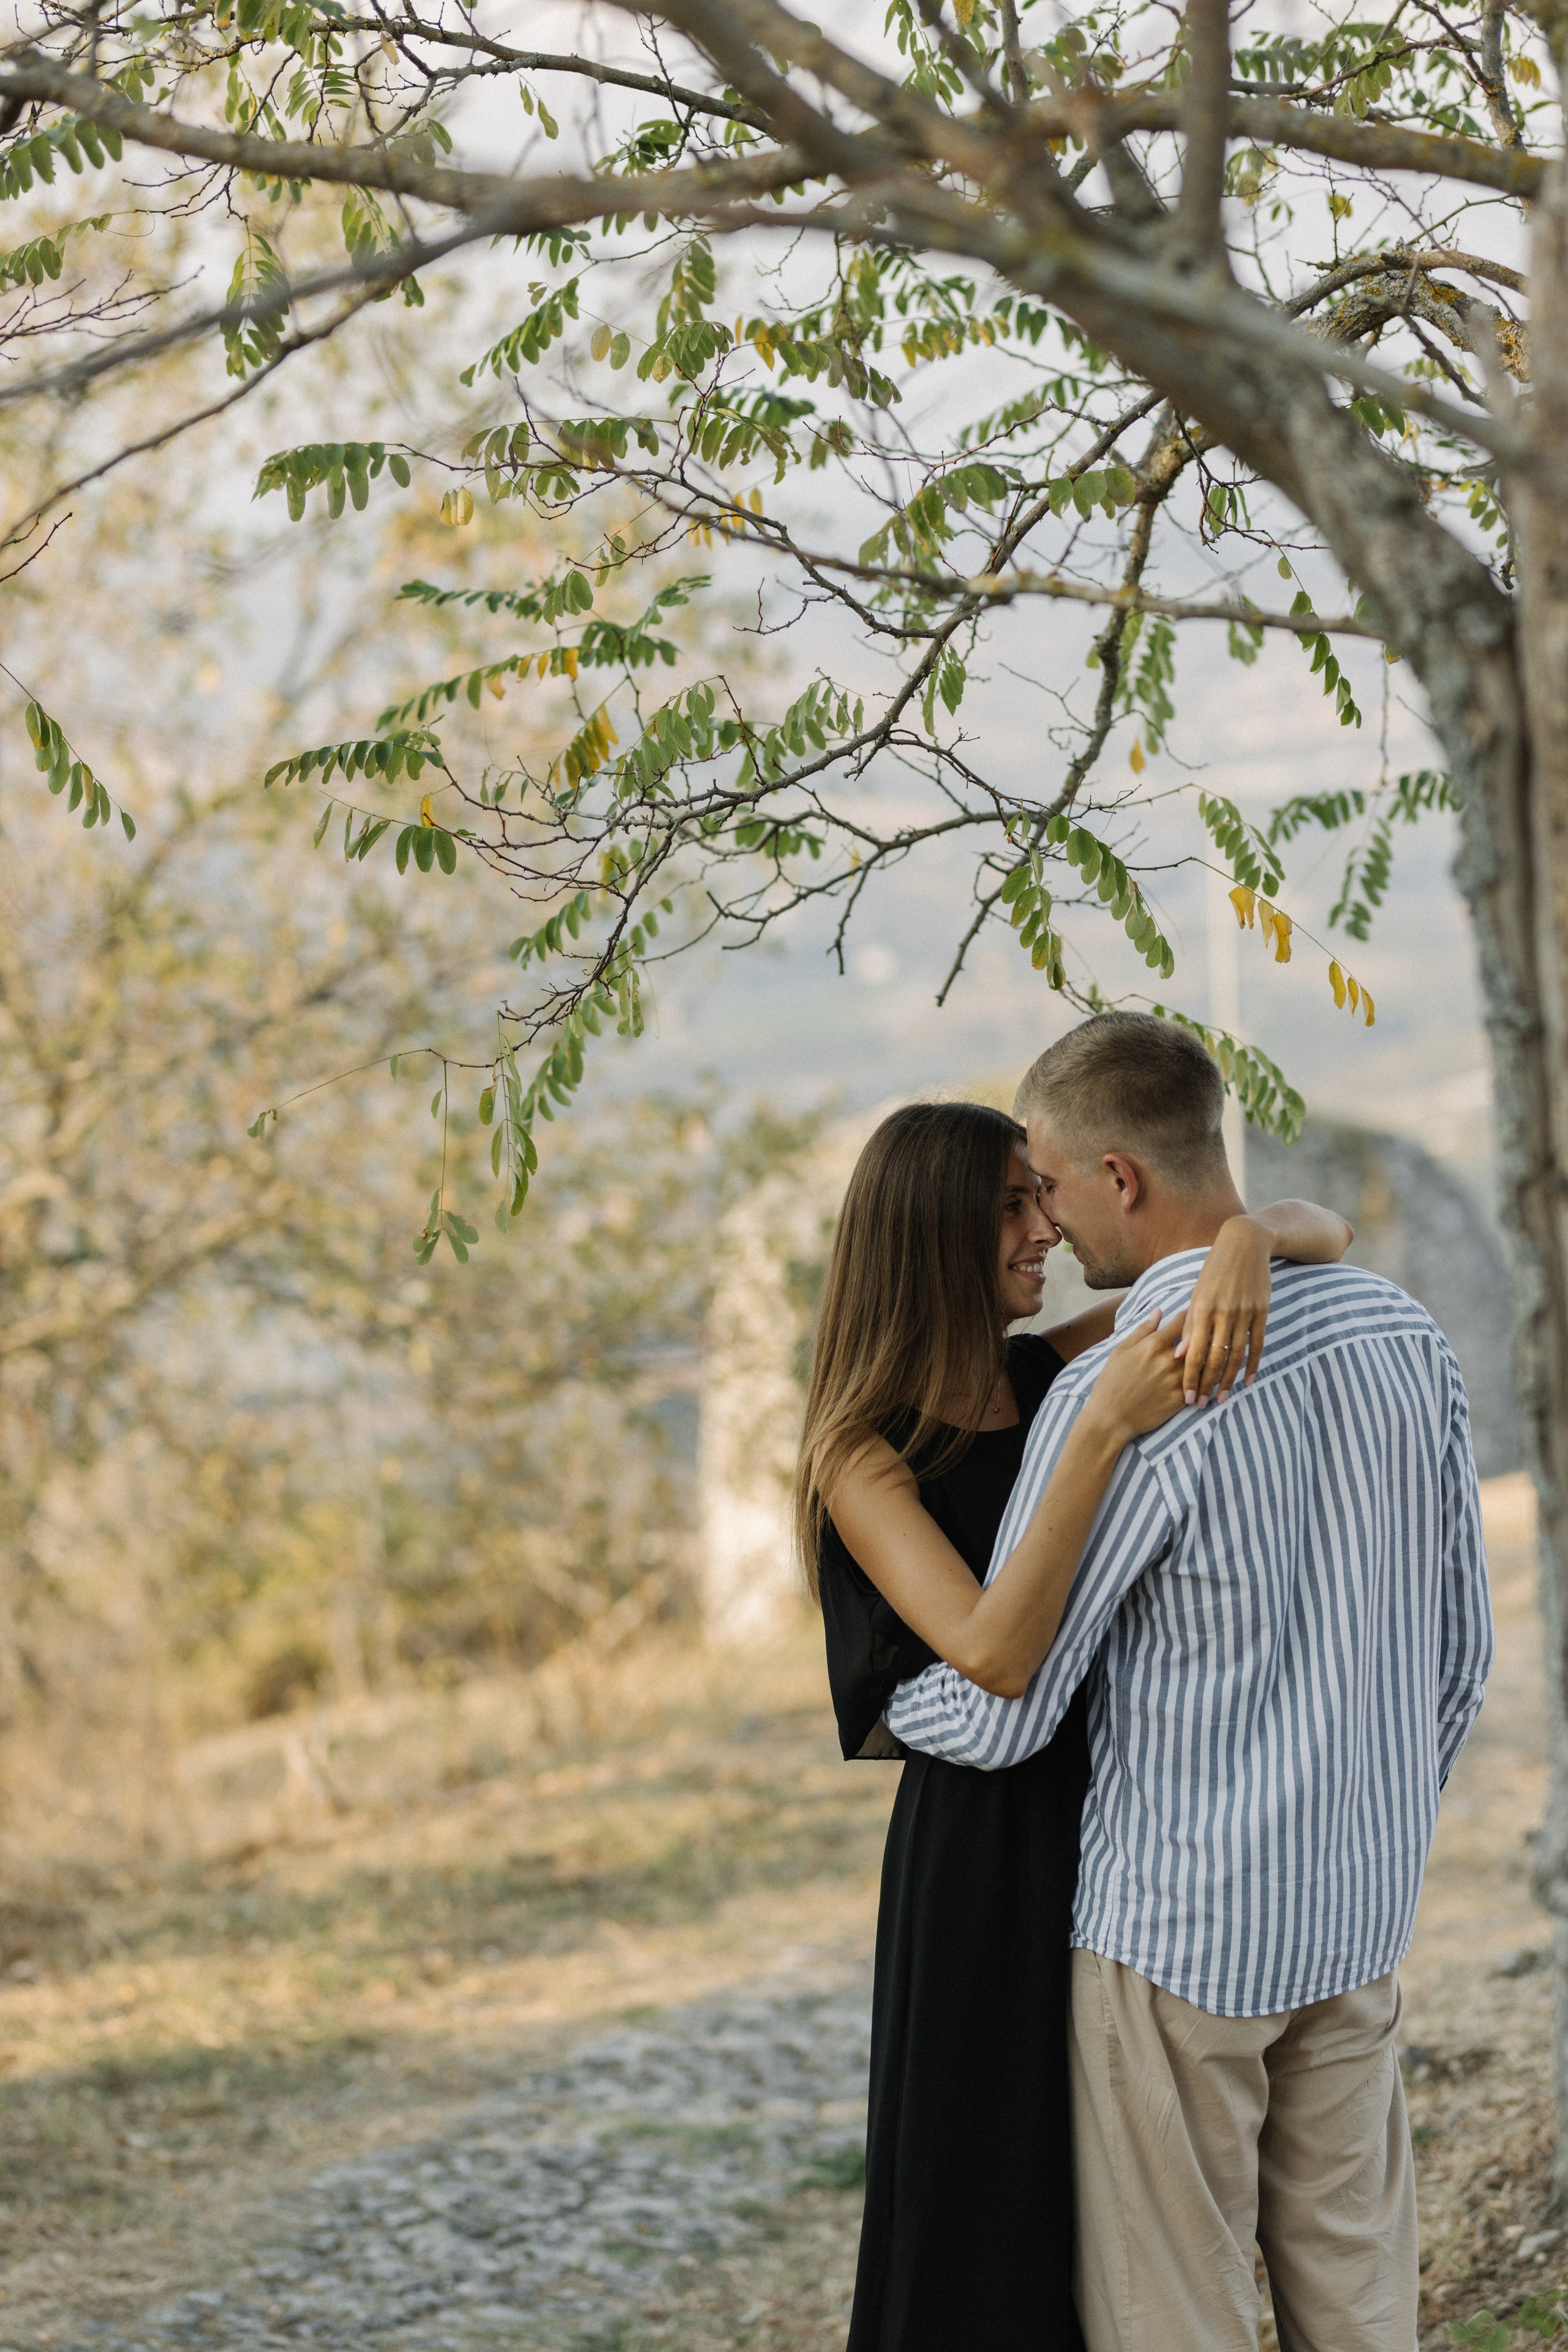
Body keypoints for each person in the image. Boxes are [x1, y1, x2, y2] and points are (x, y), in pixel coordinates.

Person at [888, 1014, 1494, 2352]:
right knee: (1361, 2309)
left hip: (1178, 1941)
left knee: (1178, 2321)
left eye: (1043, 1183)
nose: (1041, 1223)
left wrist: (891, 1702)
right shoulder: (1401, 1333)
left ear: (1116, 1178)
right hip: (1352, 1911)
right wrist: (1370, 1821)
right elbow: (1461, 1653)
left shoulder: (1122, 1393)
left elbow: (1008, 1708)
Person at [796, 1097, 1354, 2352]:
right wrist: (1103, 1431)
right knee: (988, 2208)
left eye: (1040, 1196)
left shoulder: (1040, 1369)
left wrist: (1239, 1245)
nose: (1045, 1227)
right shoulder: (861, 1454)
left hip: (1118, 1829)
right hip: (985, 1863)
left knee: (1115, 2213)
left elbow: (1334, 1223)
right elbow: (990, 1652)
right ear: (931, 1228)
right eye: (1011, 1203)